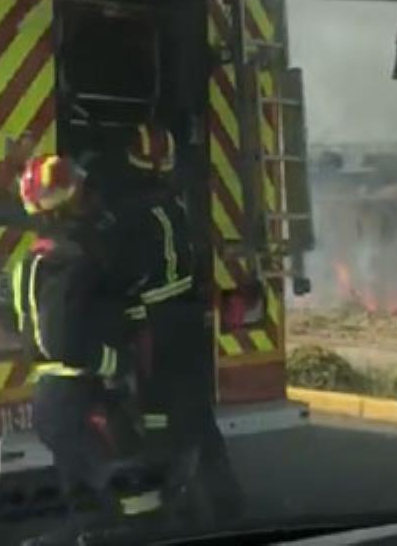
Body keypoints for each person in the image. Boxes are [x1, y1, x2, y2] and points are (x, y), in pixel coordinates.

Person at [13, 154, 163, 546]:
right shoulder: (73, 260)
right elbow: (63, 340)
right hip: (80, 397)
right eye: (80, 192)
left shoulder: (32, 259)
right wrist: (117, 361)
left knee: (86, 503)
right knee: (134, 494)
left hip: (54, 399)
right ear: (67, 203)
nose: (90, 197)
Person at [109, 123, 245, 527]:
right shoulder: (174, 206)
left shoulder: (130, 213)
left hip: (156, 325)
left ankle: (164, 506)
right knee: (197, 413)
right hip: (187, 321)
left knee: (157, 416)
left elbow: (123, 272)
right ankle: (224, 502)